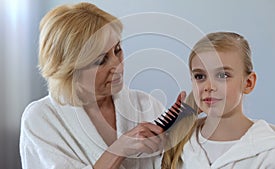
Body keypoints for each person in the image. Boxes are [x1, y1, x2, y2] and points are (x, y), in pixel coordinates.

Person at [19, 2, 177, 169]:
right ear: (69, 70)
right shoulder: (41, 119)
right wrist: (119, 149)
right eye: (100, 61)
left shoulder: (145, 104)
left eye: (117, 50)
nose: (118, 67)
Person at [161, 32, 275, 168]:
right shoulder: (176, 142)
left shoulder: (271, 154)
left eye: (222, 75)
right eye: (200, 76)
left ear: (248, 83)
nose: (209, 87)